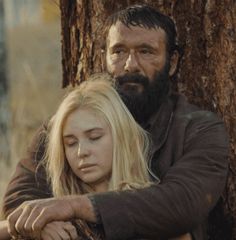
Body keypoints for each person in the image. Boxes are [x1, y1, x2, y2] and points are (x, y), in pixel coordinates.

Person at [3, 4, 229, 240]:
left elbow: (183, 202)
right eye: (118, 51)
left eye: (146, 51)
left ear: (171, 62)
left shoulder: (198, 128)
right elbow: (20, 197)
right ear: (104, 59)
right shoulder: (70, 122)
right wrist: (41, 224)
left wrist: (76, 206)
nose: (130, 64)